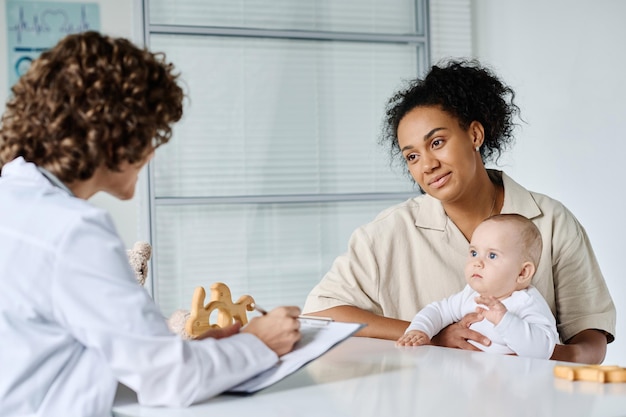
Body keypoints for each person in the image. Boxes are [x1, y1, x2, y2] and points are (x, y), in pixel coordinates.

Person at [0, 31, 301, 417]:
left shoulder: (16, 204)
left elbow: (60, 352)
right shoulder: (72, 230)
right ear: (114, 133)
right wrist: (261, 342)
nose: (153, 151)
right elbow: (168, 379)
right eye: (150, 133)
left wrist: (202, 353)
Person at [303, 59, 615, 364]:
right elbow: (320, 315)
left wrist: (538, 353)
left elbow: (589, 337)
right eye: (411, 156)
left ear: (474, 135)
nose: (427, 164)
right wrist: (434, 336)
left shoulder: (551, 221)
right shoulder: (387, 233)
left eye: (437, 142)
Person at [397, 214, 558, 359]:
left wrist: (504, 320)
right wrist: (419, 330)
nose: (477, 262)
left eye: (492, 255)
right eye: (473, 253)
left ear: (522, 272)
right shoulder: (470, 294)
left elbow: (543, 350)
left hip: (512, 385)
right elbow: (438, 311)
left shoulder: (526, 302)